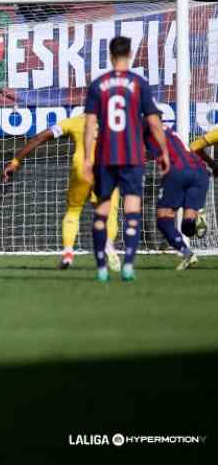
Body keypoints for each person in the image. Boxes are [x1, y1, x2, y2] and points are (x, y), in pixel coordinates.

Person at [83, 36, 169, 282]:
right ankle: (128, 265)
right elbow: (154, 121)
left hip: (105, 157)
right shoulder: (139, 83)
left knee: (101, 212)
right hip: (132, 156)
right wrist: (163, 151)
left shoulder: (98, 85)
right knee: (132, 211)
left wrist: (88, 159)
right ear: (130, 55)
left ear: (110, 56)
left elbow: (90, 125)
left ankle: (101, 269)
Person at [3, 112, 120, 270]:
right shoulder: (117, 121)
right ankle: (108, 245)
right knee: (108, 213)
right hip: (108, 170)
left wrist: (16, 161)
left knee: (73, 210)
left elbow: (41, 137)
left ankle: (68, 253)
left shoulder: (75, 121)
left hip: (82, 169)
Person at [144, 123, 210, 271]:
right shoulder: (169, 130)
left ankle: (187, 254)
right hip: (200, 171)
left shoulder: (142, 126)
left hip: (176, 172)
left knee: (163, 220)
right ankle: (198, 216)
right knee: (187, 228)